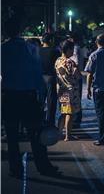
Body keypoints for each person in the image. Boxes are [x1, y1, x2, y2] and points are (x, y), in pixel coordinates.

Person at [1, 18, 60, 178]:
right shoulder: (30, 48)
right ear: (19, 30)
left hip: (10, 96)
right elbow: (37, 73)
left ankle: (15, 168)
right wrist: (40, 96)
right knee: (36, 134)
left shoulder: (2, 49)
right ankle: (43, 166)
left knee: (12, 137)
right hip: (29, 96)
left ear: (5, 31)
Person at [55, 40, 82, 141]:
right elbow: (78, 76)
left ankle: (59, 133)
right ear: (68, 49)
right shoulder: (70, 62)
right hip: (70, 91)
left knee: (63, 112)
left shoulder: (57, 60)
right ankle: (68, 135)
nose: (73, 52)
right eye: (72, 49)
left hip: (61, 90)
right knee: (69, 113)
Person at [39, 33, 61, 126]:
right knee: (51, 102)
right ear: (51, 40)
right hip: (51, 77)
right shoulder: (55, 51)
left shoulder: (37, 50)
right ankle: (50, 123)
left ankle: (39, 120)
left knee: (40, 100)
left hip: (39, 78)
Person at [70, 34, 84, 128]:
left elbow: (76, 63)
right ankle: (76, 119)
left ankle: (76, 120)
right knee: (76, 98)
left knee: (75, 98)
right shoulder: (77, 48)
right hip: (77, 76)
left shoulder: (75, 49)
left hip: (75, 77)